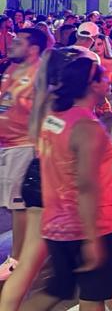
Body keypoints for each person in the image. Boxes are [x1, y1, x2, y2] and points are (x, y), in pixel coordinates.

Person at [24, 48, 112, 311]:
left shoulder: (52, 118)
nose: (109, 79)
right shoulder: (87, 128)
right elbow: (88, 188)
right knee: (92, 299)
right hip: (92, 225)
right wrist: (92, 239)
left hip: (56, 224)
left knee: (56, 291)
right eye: (102, 75)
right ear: (91, 85)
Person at [0, 29, 43, 281]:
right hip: (7, 146)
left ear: (33, 48)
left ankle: (17, 260)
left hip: (25, 146)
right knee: (12, 205)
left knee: (19, 206)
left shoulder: (40, 74)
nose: (11, 45)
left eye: (18, 43)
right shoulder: (11, 70)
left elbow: (47, 110)